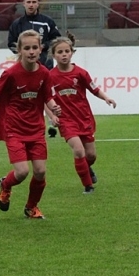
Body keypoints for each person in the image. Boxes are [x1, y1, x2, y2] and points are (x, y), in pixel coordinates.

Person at [0, 30, 62, 219]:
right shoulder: (11, 73)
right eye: (27, 48)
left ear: (41, 49)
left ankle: (31, 207)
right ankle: (5, 185)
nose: (31, 51)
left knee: (40, 171)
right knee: (22, 172)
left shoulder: (44, 73)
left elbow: (47, 96)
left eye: (35, 47)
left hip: (36, 129)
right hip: (14, 129)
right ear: (19, 50)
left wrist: (54, 108)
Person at [46, 36, 117, 194]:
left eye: (67, 51)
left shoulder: (81, 73)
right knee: (79, 150)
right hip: (66, 120)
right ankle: (88, 186)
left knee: (91, 155)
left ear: (72, 53)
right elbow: (46, 98)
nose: (64, 54)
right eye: (60, 52)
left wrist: (106, 98)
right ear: (54, 55)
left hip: (84, 118)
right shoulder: (50, 76)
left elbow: (94, 89)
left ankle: (87, 168)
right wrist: (52, 116)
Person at [7, 0, 61, 70]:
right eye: (28, 2)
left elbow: (56, 40)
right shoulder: (17, 24)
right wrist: (24, 50)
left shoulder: (47, 21)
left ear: (38, 4)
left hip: (45, 64)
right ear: (24, 4)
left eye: (34, 2)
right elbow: (11, 43)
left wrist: (43, 46)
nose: (31, 5)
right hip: (24, 65)